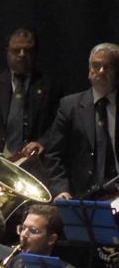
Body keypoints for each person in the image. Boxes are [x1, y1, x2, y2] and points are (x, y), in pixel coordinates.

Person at [0, 28, 62, 158]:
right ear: (7, 51)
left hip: (33, 162)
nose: (22, 54)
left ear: (35, 52)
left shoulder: (50, 86)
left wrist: (42, 142)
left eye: (28, 50)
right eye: (16, 50)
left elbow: (58, 126)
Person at [41, 42, 119, 200]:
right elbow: (53, 154)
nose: (101, 72)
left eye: (108, 67)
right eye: (96, 66)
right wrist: (60, 189)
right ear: (89, 71)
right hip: (81, 196)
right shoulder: (70, 106)